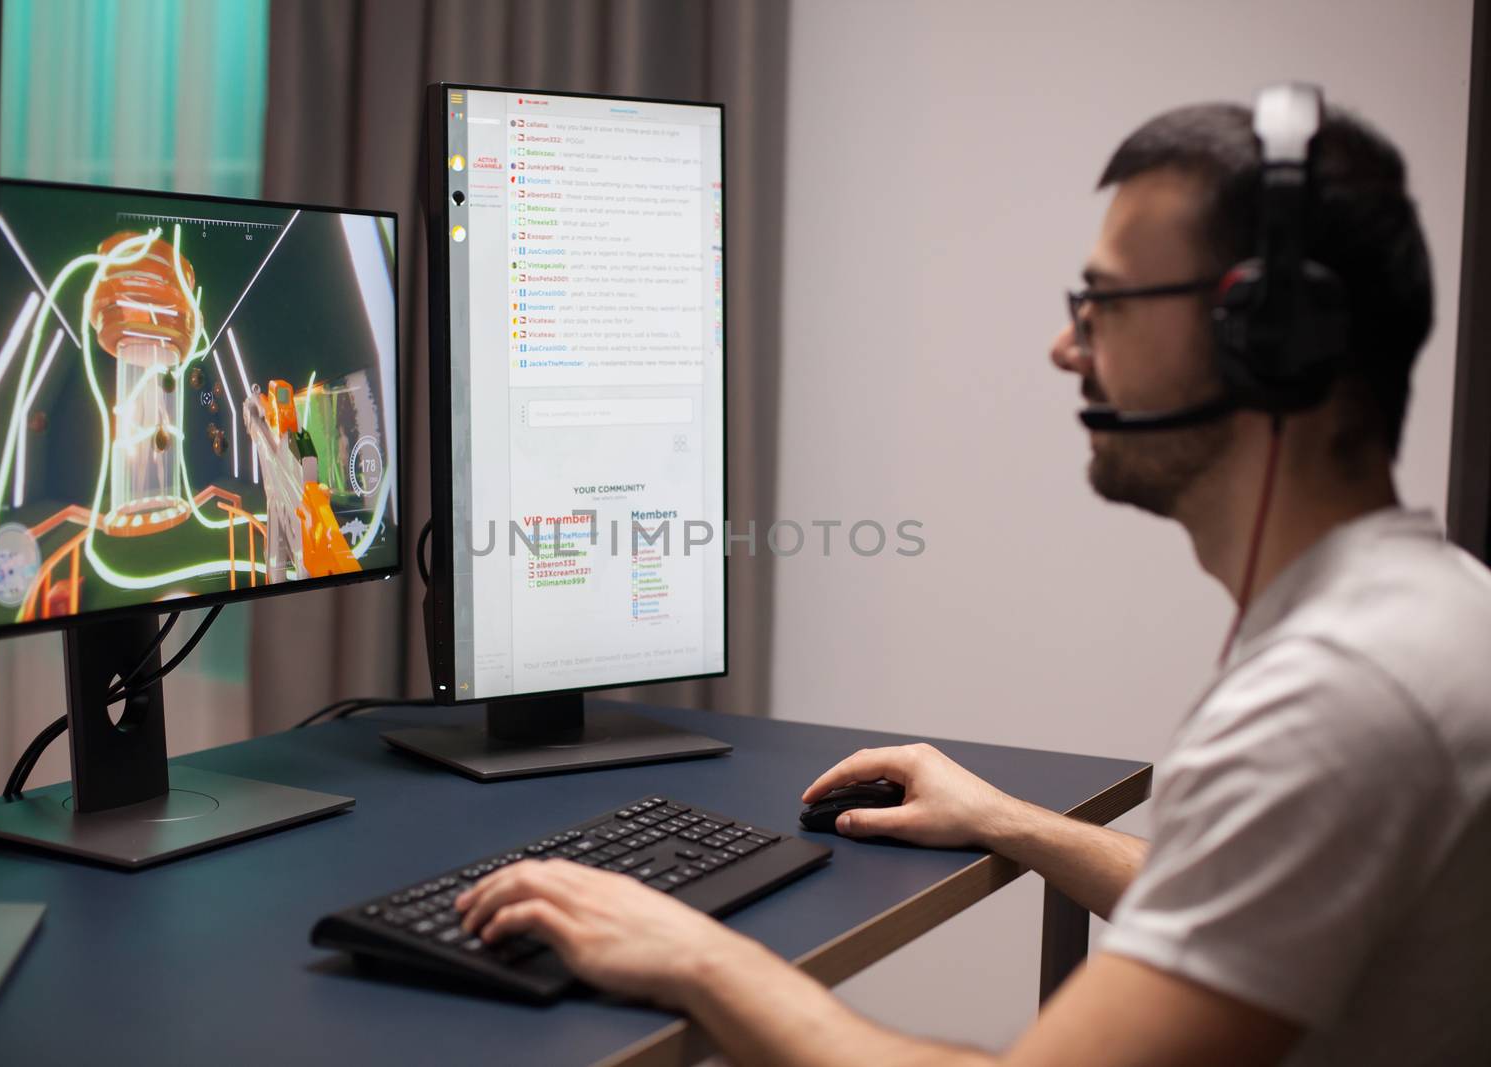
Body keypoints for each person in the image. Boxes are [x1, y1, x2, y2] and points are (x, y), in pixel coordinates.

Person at [452, 92, 1491, 1066]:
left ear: (1264, 341)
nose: (1062, 347)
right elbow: (1252, 902)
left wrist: (690, 952)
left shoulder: (1336, 699)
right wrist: (1007, 820)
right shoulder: (1434, 607)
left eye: (1106, 304)